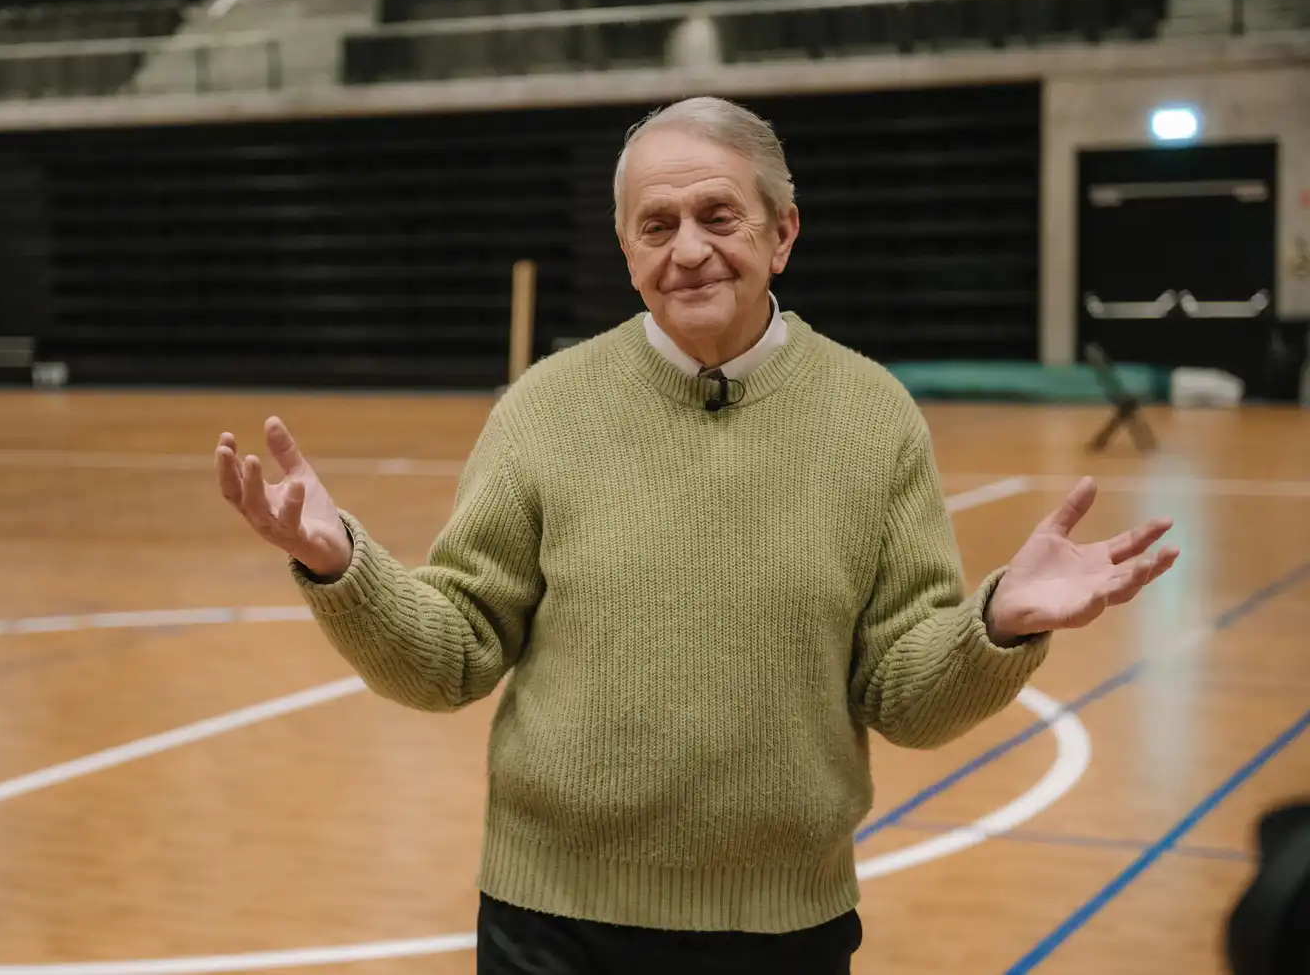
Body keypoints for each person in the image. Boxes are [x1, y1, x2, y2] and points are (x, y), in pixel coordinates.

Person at [214, 96, 1179, 974]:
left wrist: (998, 625)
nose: (688, 251)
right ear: (627, 250)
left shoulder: (874, 417)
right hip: (553, 924)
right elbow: (454, 655)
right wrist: (339, 563)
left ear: (783, 232)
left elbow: (903, 697)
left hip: (782, 930)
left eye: (718, 216)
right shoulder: (545, 410)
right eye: (657, 225)